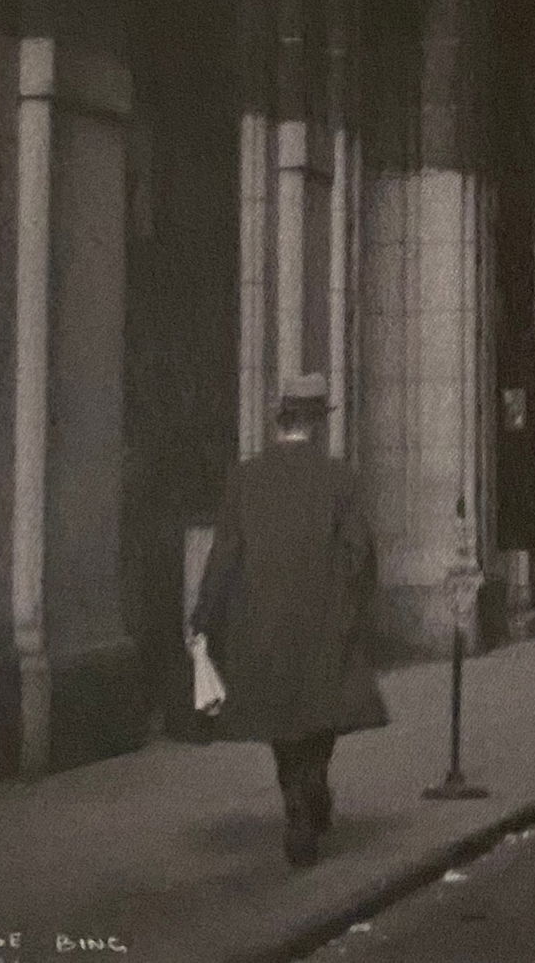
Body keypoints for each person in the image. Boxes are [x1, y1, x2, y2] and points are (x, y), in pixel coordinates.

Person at [189, 371, 387, 868]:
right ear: (319, 424)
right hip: (324, 624)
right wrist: (353, 608)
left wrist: (203, 617)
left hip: (262, 626)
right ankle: (313, 785)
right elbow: (359, 555)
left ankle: (296, 799)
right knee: (321, 712)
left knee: (281, 719)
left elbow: (224, 557)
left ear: (281, 418)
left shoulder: (245, 478)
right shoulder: (341, 478)